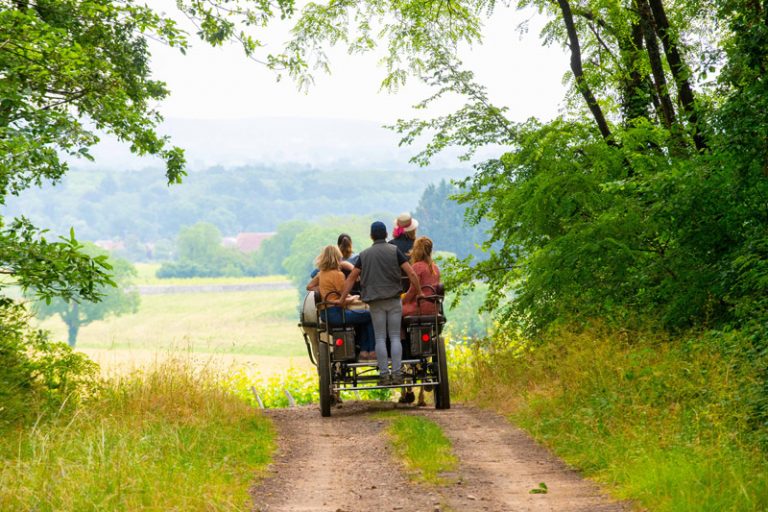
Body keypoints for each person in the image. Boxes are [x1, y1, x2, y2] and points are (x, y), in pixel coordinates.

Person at [339, 221, 423, 385]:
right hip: (393, 300)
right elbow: (411, 273)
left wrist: (342, 298)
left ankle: (384, 375)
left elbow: (351, 278)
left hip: (376, 303)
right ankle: (398, 374)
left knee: (379, 338)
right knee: (395, 337)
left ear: (371, 236)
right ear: (386, 235)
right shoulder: (394, 251)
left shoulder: (364, 255)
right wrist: (419, 292)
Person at [307, 245, 376, 359]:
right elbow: (342, 300)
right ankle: (370, 350)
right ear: (338, 258)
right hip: (337, 314)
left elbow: (309, 286)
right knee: (369, 315)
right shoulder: (339, 275)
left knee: (362, 317)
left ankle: (364, 350)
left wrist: (322, 291)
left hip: (325, 315)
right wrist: (353, 297)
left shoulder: (321, 274)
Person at [400, 236, 441, 406]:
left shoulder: (416, 267)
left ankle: (404, 352)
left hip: (417, 307)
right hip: (432, 309)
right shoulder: (435, 268)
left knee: (396, 317)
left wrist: (401, 299)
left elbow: (412, 292)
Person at [402, 237, 441, 317]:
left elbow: (413, 290)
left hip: (420, 305)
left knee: (395, 312)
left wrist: (403, 301)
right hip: (434, 308)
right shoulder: (435, 268)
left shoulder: (417, 266)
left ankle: (401, 330)